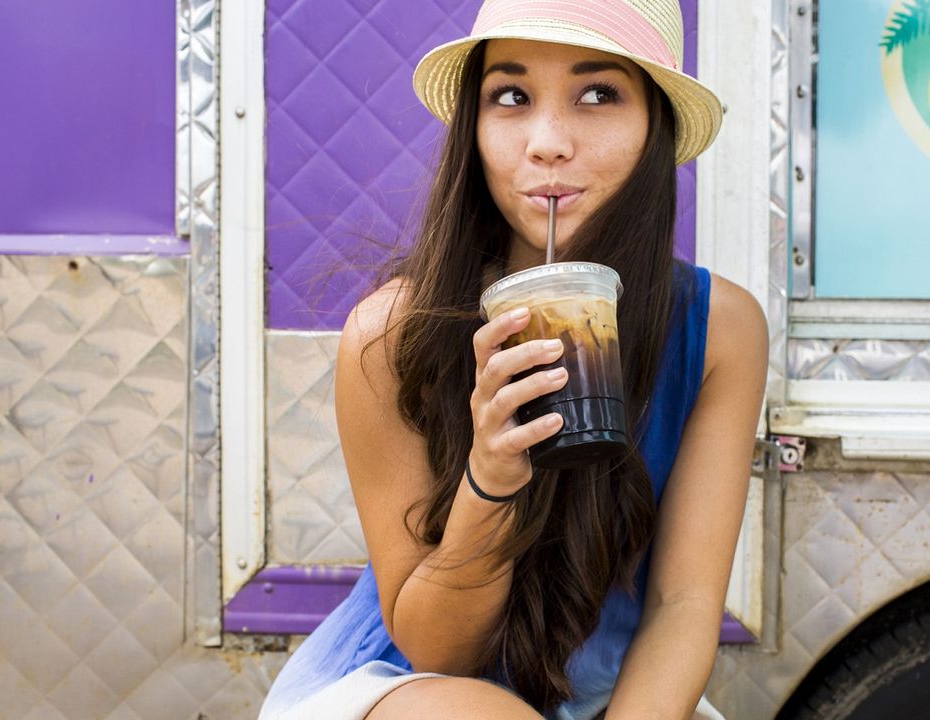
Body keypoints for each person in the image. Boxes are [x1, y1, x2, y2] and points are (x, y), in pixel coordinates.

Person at [259, 0, 767, 717]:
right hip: (409, 688)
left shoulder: (720, 332)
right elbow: (438, 651)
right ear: (475, 124)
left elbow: (682, 607)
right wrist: (489, 481)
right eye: (511, 96)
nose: (548, 141)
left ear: (655, 123)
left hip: (612, 692)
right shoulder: (390, 335)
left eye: (598, 94)